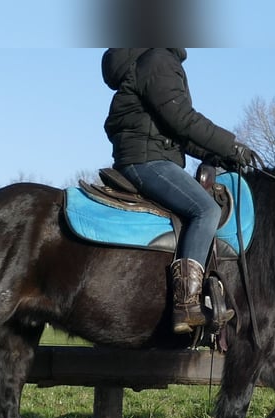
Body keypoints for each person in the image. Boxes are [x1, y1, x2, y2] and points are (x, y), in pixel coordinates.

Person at [101, 48, 253, 334]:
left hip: (148, 154)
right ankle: (185, 303)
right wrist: (231, 145)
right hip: (146, 159)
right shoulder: (157, 59)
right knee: (206, 210)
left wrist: (222, 156)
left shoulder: (150, 58)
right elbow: (182, 118)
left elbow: (177, 131)